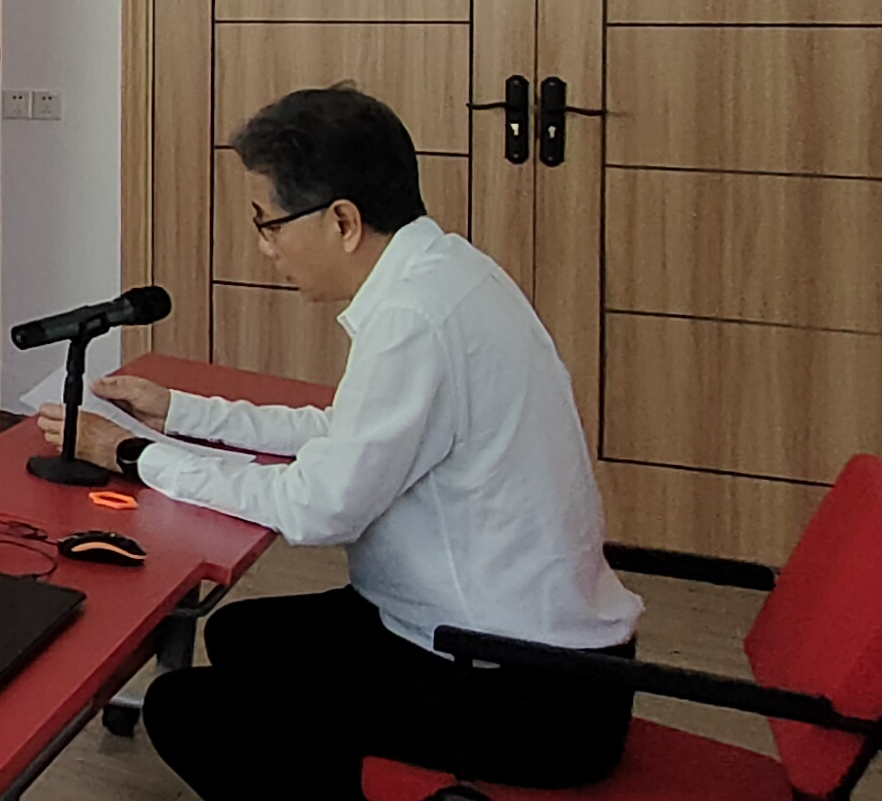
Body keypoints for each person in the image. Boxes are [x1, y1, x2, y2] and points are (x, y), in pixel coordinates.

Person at [39, 86, 641, 801]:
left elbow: (318, 508)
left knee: (188, 712)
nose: (265, 249)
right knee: (241, 637)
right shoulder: (446, 272)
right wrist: (184, 413)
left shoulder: (414, 318)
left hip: (521, 688)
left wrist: (132, 456)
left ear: (343, 221)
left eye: (268, 224)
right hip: (518, 645)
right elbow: (347, 432)